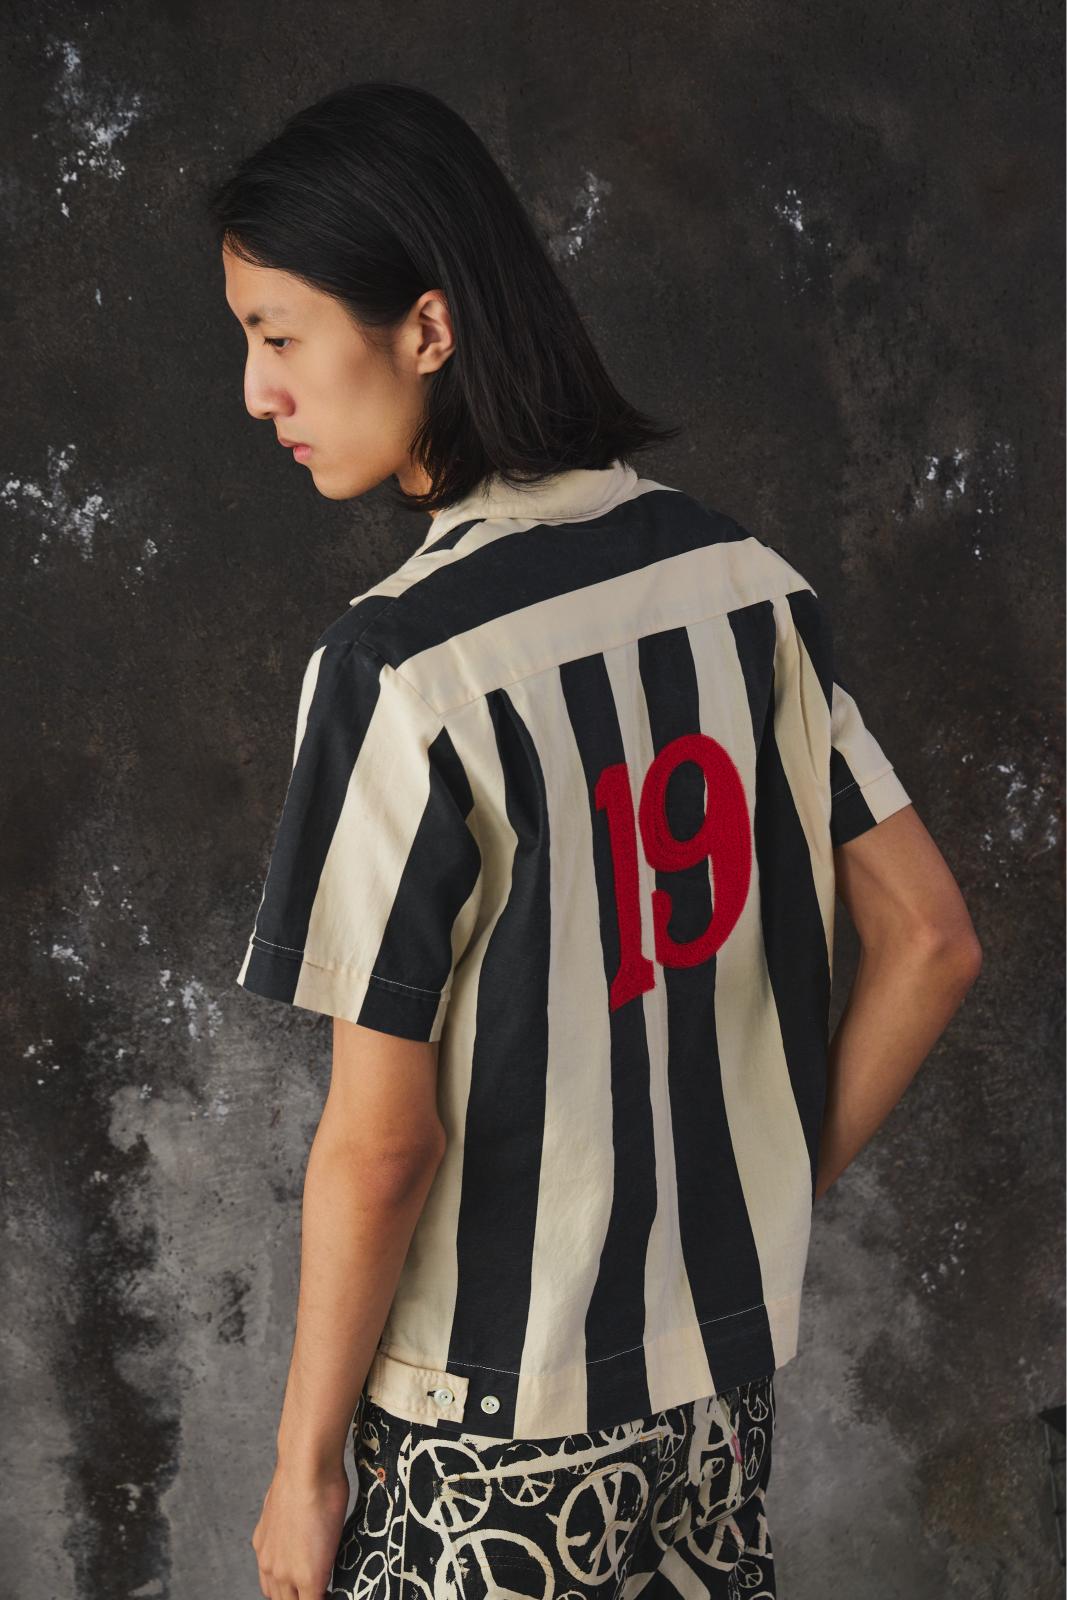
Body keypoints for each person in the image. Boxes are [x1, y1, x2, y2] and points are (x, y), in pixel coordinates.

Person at [207, 80, 983, 1600]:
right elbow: (932, 940)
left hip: (484, 1433)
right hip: (712, 1403)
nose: (255, 391)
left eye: (278, 335)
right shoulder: (744, 589)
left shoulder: (403, 671)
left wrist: (304, 1469)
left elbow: (383, 1143)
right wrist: (752, 1207)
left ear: (427, 330)